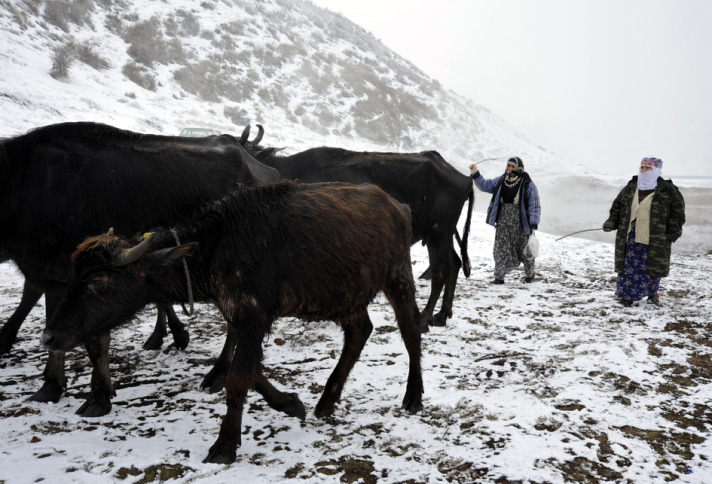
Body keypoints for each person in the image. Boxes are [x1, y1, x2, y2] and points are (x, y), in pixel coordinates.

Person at [603, 157, 685, 307]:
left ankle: (653, 294)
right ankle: (626, 296)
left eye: (648, 168)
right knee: (628, 267)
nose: (644, 170)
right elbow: (617, 208)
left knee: (651, 266)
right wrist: (610, 223)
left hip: (655, 237)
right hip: (630, 236)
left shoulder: (668, 190)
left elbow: (677, 214)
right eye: (642, 167)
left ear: (656, 170)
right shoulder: (631, 187)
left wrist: (671, 235)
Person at [469, 157, 541, 284]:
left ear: (519, 168)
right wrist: (475, 173)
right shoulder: (502, 180)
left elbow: (534, 204)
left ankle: (530, 274)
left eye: (513, 166)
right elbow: (485, 185)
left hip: (521, 222)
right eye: (508, 166)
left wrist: (533, 223)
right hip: (502, 221)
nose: (510, 169)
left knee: (524, 250)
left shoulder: (527, 183)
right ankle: (499, 277)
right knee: (500, 248)